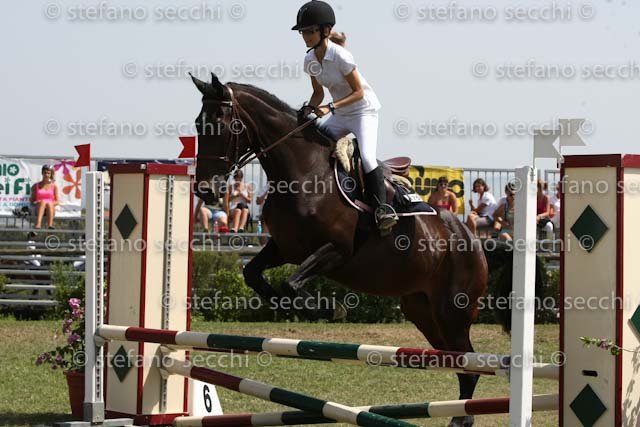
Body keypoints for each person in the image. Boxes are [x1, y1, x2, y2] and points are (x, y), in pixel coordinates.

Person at [294, 1, 395, 234]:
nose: (306, 36)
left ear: (325, 31)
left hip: (363, 112)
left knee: (367, 158)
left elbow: (359, 92)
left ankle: (383, 211)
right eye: (303, 32)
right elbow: (318, 93)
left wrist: (330, 107)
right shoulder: (310, 60)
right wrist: (309, 108)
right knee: (316, 143)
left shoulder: (341, 56)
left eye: (310, 31)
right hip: (340, 114)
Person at [30, 164, 59, 229]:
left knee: (49, 203)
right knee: (43, 202)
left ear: (51, 174)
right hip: (39, 208)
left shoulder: (54, 186)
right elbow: (32, 200)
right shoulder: (36, 186)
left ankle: (50, 225)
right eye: (45, 173)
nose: (46, 175)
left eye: (48, 173)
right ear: (42, 173)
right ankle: (38, 224)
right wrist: (37, 202)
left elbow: (57, 201)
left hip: (50, 208)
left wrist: (48, 204)